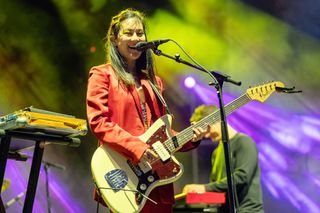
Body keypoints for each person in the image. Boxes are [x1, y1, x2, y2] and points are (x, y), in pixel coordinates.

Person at [86, 8, 207, 213]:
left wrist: (192, 138)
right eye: (129, 32)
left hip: (158, 183)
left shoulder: (154, 82)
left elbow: (162, 135)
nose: (136, 37)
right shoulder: (102, 75)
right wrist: (138, 148)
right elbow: (98, 122)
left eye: (140, 33)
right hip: (127, 178)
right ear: (115, 39)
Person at [183, 104, 264, 213]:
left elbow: (242, 177)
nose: (206, 136)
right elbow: (219, 189)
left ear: (217, 121)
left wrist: (204, 188)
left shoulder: (244, 142)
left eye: (207, 130)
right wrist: (195, 195)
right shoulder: (216, 153)